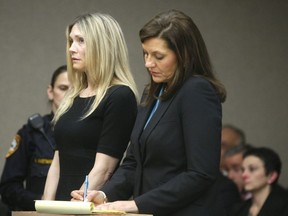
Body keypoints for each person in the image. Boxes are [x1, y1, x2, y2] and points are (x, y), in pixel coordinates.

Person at [72, 9, 227, 216]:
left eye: (158, 56)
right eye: (145, 53)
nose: (148, 63)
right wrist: (104, 195)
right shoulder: (152, 91)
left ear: (184, 55)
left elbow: (201, 173)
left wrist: (136, 204)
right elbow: (133, 163)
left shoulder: (197, 90)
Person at [42, 12, 138, 201]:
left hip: (89, 204)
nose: (71, 48)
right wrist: (46, 206)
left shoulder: (120, 96)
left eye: (80, 41)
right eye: (70, 41)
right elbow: (58, 160)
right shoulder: (72, 96)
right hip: (62, 204)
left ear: (101, 46)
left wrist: (74, 207)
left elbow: (105, 170)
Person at [0, 65, 71, 211]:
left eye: (75, 90)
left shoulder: (91, 134)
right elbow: (8, 187)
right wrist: (41, 202)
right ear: (50, 92)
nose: (69, 95)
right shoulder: (31, 133)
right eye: (63, 88)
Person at [229, 147, 288, 216]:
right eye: (243, 170)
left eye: (252, 169)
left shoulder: (284, 206)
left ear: (271, 176)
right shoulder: (238, 209)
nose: (244, 175)